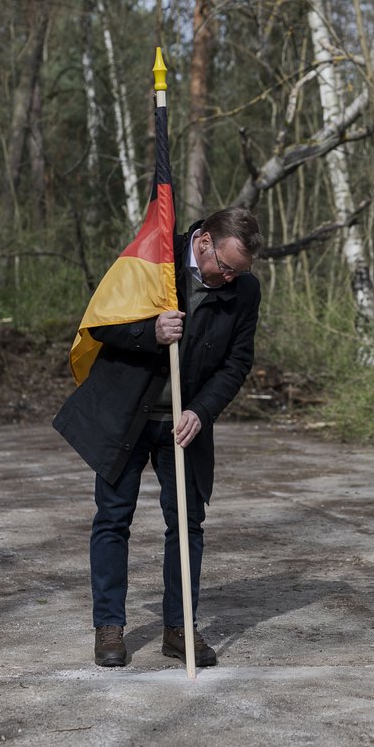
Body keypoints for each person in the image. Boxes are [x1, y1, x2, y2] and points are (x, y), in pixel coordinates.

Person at [54, 206, 263, 668]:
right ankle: (109, 626)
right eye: (225, 267)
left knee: (187, 525)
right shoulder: (154, 258)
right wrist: (149, 331)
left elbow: (237, 363)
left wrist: (201, 411)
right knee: (113, 519)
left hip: (183, 424)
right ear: (204, 242)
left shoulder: (245, 290)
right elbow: (101, 322)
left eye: (238, 272)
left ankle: (179, 627)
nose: (229, 278)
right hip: (126, 414)